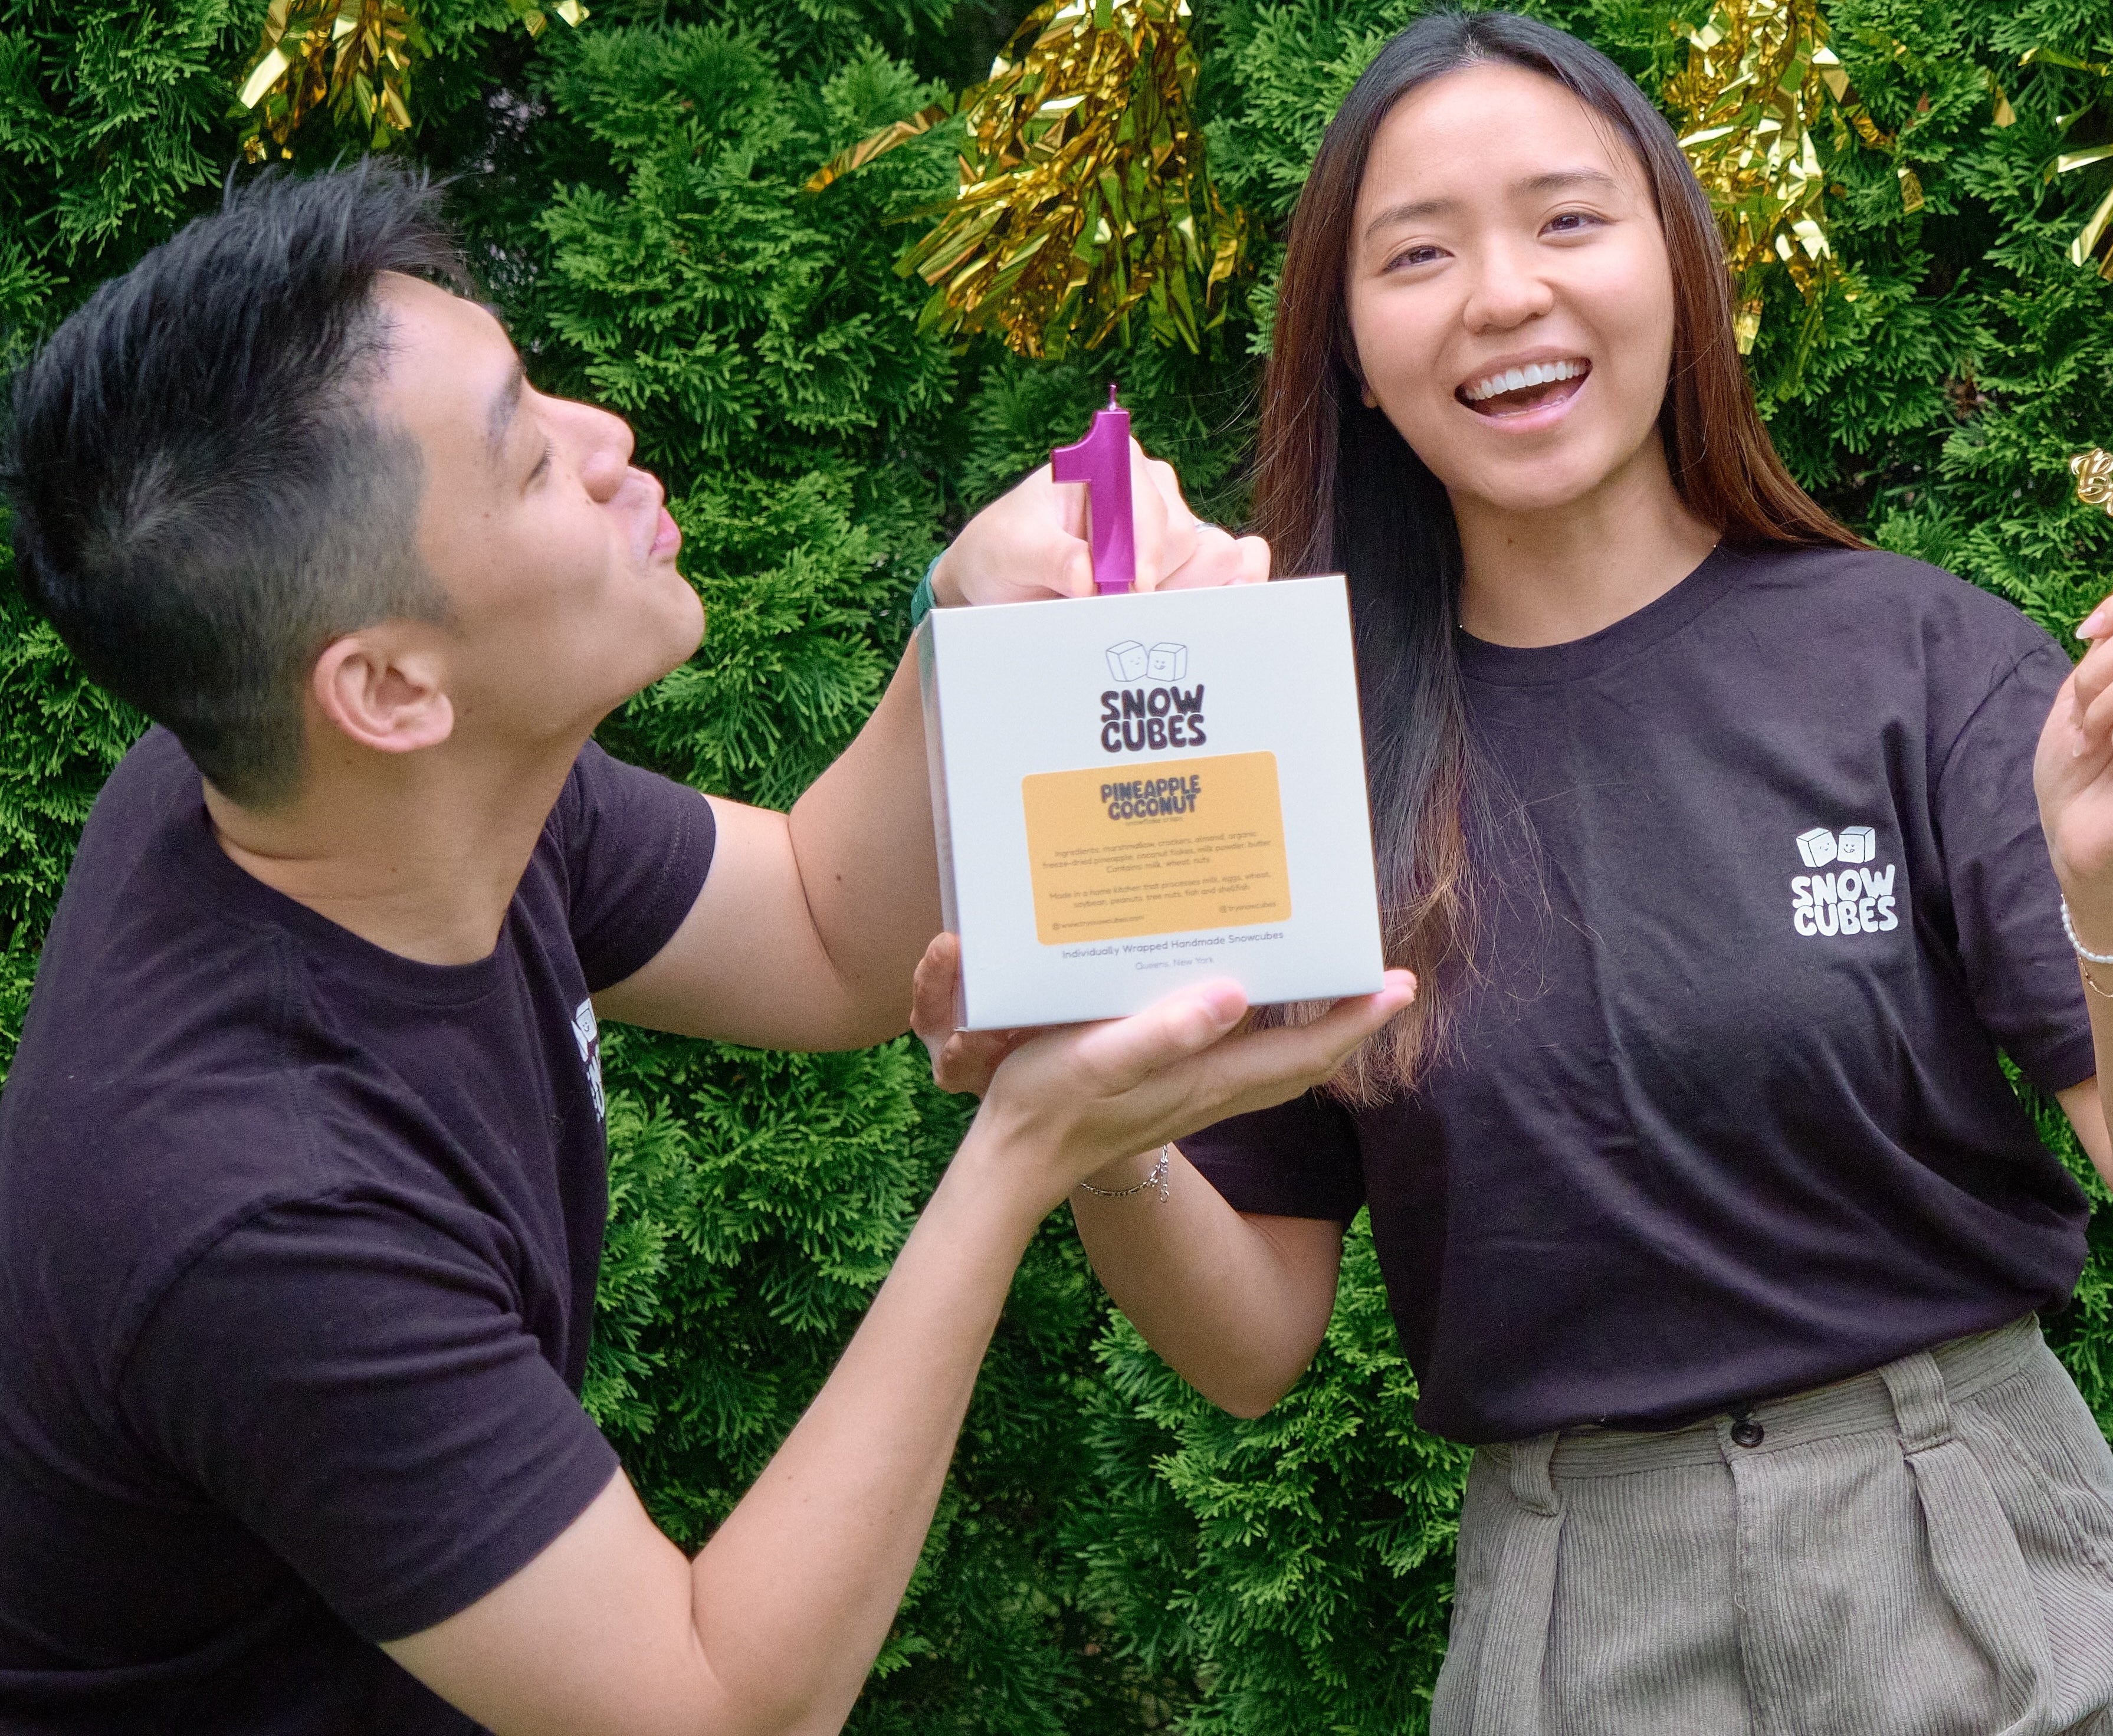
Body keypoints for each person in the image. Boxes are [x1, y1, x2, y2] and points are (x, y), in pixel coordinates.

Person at [921, 10, 2113, 1734]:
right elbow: (1250, 1342)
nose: (1501, 296)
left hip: (1977, 1563)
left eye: (1566, 220)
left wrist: (2108, 893)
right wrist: (1092, 1132)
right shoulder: (1289, 746)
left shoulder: (1916, 658)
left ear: (1678, 270)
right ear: (1346, 340)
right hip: (1575, 1622)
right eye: (1416, 254)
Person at [0, 160, 1410, 1736]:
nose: (607, 443)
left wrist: (970, 620)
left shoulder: (353, 797)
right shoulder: (254, 1216)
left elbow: (817, 930)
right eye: (526, 458)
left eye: (541, 386)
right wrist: (1021, 1153)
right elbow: (719, 1715)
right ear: (387, 689)